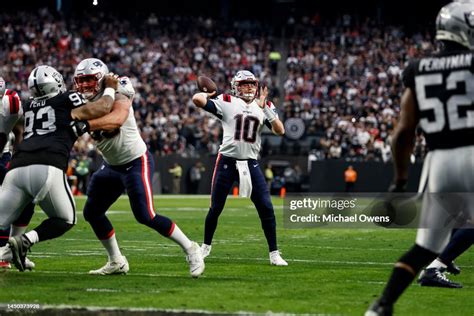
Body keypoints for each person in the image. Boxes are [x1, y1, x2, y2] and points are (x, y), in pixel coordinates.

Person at [366, 2, 474, 314]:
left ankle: (381, 306)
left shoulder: (418, 68)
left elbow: (403, 133)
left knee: (425, 247)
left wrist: (399, 182)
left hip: (438, 163)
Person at [71, 58, 204, 277]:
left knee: (145, 215)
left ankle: (191, 248)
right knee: (92, 212)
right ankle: (116, 260)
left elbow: (117, 119)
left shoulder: (120, 86)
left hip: (135, 161)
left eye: (89, 80)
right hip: (111, 165)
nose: (85, 86)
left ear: (103, 78)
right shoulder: (76, 99)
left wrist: (84, 124)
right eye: (81, 81)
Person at [0, 65, 118, 272]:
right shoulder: (66, 99)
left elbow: (15, 129)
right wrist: (110, 88)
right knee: (66, 219)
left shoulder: (28, 105)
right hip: (47, 164)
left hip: (16, 167)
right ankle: (25, 241)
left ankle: (7, 251)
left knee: (4, 219)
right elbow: (102, 108)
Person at [192, 70, 288, 266]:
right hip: (227, 161)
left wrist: (264, 108)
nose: (250, 87)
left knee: (266, 208)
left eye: (252, 84)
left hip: (250, 163)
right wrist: (208, 93)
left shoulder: (265, 105)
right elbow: (197, 100)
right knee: (216, 208)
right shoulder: (227, 100)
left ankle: (274, 253)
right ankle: (205, 247)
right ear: (236, 86)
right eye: (245, 84)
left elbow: (280, 131)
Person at [0, 77, 36, 270]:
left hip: (4, 155)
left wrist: (20, 155)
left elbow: (19, 127)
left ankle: (9, 250)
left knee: (23, 200)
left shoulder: (11, 102)